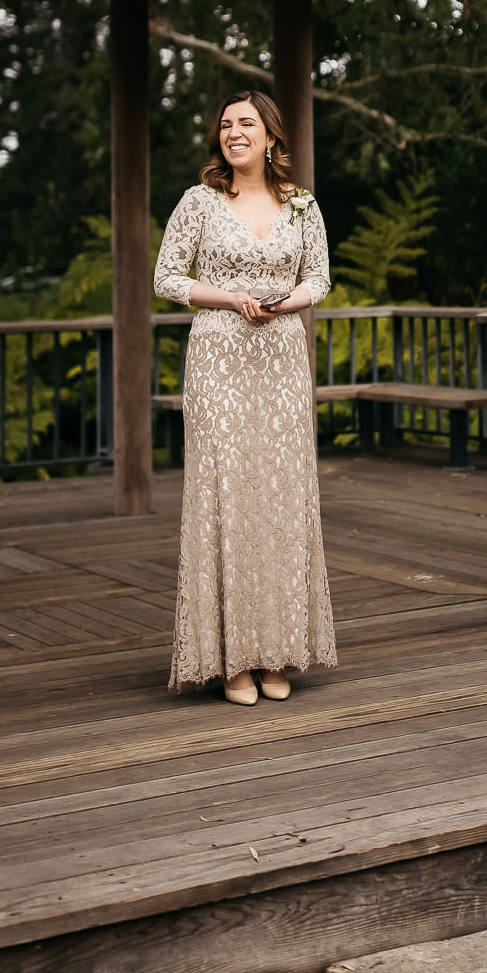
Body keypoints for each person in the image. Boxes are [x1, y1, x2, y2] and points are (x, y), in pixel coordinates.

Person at [154, 90, 337, 704]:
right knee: (227, 496)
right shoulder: (199, 203)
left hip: (282, 359)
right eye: (226, 125)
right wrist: (230, 298)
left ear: (270, 138)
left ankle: (277, 650)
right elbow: (168, 277)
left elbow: (321, 278)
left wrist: (287, 303)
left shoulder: (301, 204)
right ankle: (233, 660)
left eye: (246, 124)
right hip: (220, 360)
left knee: (280, 498)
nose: (234, 132)